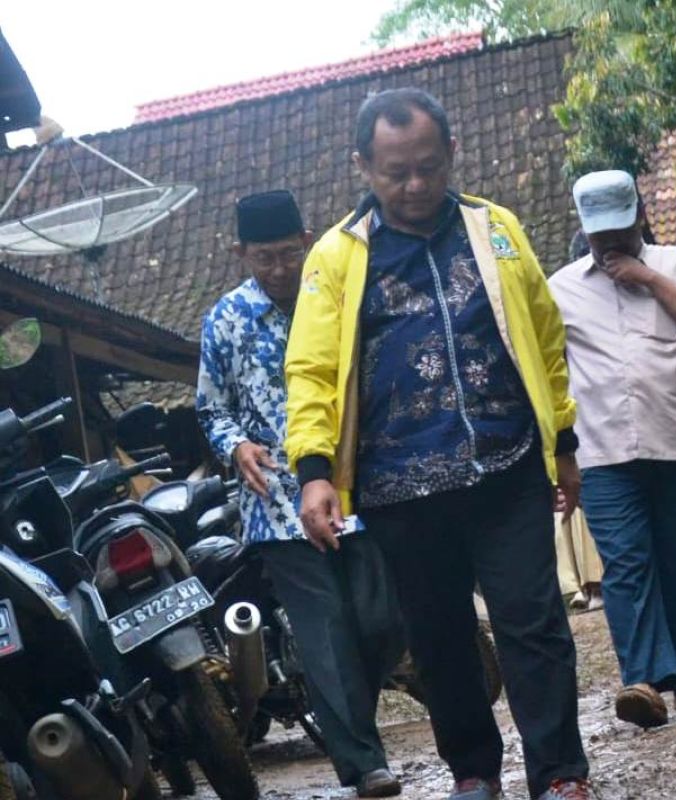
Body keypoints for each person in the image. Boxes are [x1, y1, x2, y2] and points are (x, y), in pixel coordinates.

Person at [284, 89, 591, 800]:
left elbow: (545, 341)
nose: (415, 185)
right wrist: (314, 472)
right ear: (363, 166)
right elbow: (312, 369)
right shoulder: (335, 258)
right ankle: (475, 773)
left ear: (451, 152)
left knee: (534, 623)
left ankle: (560, 773)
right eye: (396, 172)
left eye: (428, 166)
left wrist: (564, 443)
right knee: (441, 636)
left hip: (506, 462)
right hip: (400, 487)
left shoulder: (498, 230)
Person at [196, 190, 403, 797]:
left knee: (382, 620)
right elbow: (212, 409)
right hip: (278, 506)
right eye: (264, 259)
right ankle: (366, 764)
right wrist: (237, 446)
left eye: (289, 254)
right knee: (326, 631)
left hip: (356, 490)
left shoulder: (338, 294)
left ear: (307, 240)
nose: (280, 269)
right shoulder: (226, 320)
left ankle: (351, 718)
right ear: (241, 254)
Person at [549, 169, 676, 729]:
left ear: (640, 216)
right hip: (602, 453)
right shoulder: (562, 288)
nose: (609, 245)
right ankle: (644, 681)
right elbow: (549, 371)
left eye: (619, 232)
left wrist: (648, 278)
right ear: (583, 229)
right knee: (626, 565)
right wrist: (560, 453)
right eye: (598, 236)